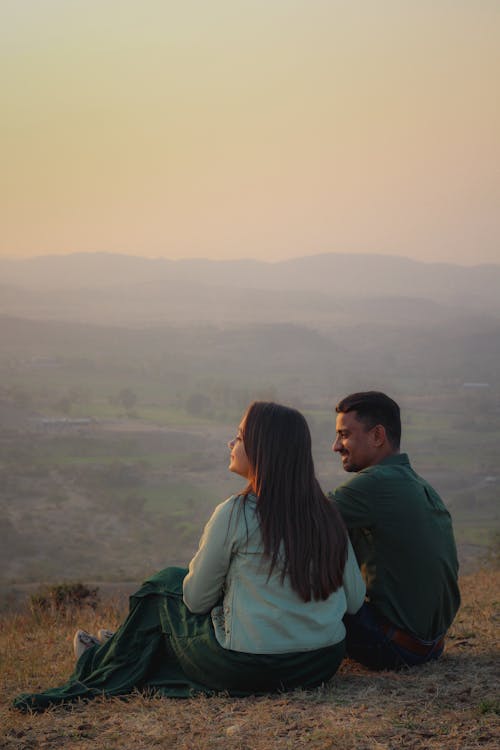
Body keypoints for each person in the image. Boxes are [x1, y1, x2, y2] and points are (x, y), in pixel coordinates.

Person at [14, 401, 365, 712]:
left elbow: (196, 601)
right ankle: (121, 645)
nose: (232, 443)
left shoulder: (236, 513)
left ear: (263, 450)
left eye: (240, 437)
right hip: (320, 663)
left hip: (248, 666)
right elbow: (353, 601)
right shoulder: (328, 514)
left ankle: (99, 660)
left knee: (161, 588)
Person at [329, 391, 460, 671]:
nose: (336, 446)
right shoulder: (416, 483)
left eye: (344, 435)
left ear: (378, 436)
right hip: (431, 646)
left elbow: (295, 519)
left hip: (395, 647)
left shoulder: (374, 484)